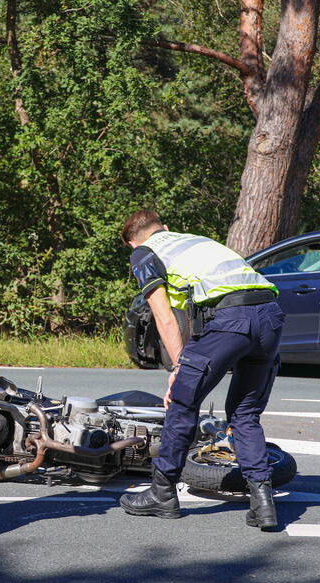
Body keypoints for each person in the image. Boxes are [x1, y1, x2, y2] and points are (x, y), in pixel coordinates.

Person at [118, 210, 285, 531]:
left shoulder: (144, 252)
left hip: (232, 319)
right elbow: (189, 322)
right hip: (271, 316)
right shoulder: (194, 241)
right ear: (165, 227)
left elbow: (165, 318)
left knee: (182, 402)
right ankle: (263, 503)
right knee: (245, 413)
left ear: (131, 242)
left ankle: (162, 492)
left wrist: (178, 372)